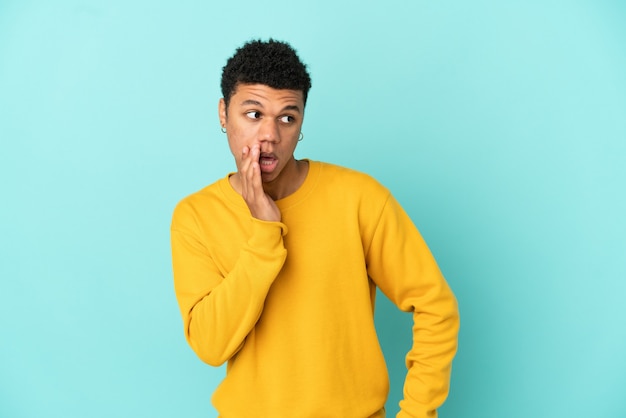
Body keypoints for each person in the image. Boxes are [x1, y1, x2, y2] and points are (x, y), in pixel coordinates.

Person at [171, 39, 459, 418]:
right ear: (224, 113)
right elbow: (210, 345)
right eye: (253, 114)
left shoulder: (359, 199)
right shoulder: (196, 215)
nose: (269, 135)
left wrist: (417, 413)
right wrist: (264, 233)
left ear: (302, 121)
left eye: (287, 117)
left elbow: (436, 306)